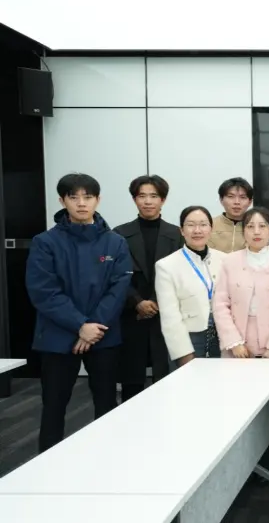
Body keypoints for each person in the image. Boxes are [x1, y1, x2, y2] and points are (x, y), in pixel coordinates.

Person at [26, 173, 132, 453]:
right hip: (58, 336)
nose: (81, 203)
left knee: (106, 403)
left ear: (98, 200)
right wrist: (80, 325)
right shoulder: (45, 242)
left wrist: (93, 326)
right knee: (54, 405)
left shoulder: (115, 242)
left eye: (88, 197)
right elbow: (43, 291)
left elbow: (119, 288)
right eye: (74, 197)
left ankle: (106, 459)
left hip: (103, 335)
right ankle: (48, 464)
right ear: (62, 201)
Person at [213, 206, 269, 477]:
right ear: (244, 231)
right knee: (238, 403)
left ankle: (267, 463)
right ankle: (240, 467)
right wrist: (234, 342)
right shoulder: (230, 261)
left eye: (262, 226)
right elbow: (220, 304)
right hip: (239, 342)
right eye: (250, 226)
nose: (256, 231)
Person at [113, 175, 183, 401]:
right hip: (131, 314)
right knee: (132, 380)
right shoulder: (119, 234)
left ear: (163, 199)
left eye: (154, 196)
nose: (148, 201)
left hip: (166, 315)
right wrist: (138, 302)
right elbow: (115, 275)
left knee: (166, 378)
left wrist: (156, 301)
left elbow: (180, 274)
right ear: (134, 199)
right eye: (142, 196)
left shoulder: (176, 234)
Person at [155, 206, 226, 367]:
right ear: (182, 230)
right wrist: (184, 353)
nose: (197, 230)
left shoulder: (224, 260)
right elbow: (169, 316)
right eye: (191, 225)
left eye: (203, 224)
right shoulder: (166, 266)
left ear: (211, 229)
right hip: (189, 338)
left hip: (222, 337)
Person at [208, 177, 253, 253]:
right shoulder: (209, 225)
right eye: (231, 196)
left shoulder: (256, 228)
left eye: (242, 197)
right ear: (221, 199)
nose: (237, 202)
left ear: (250, 202)